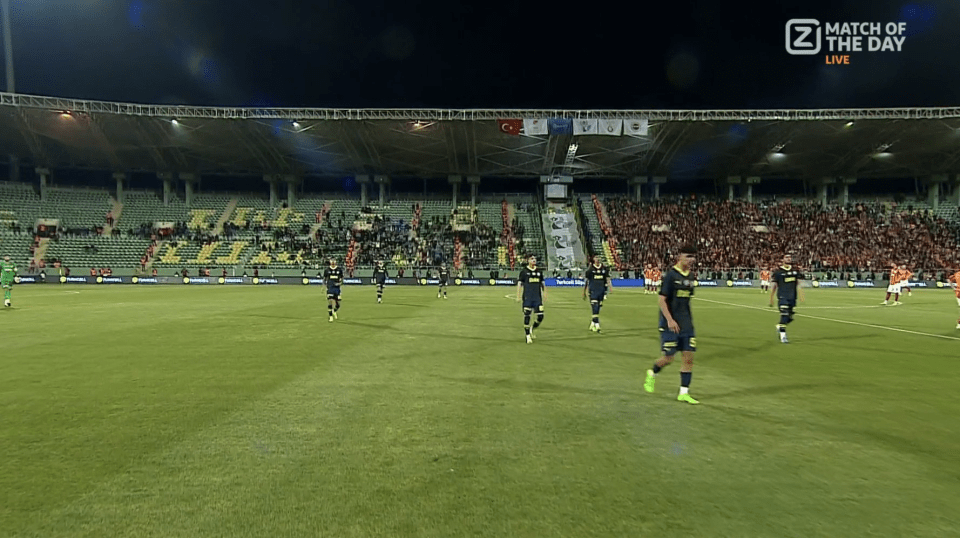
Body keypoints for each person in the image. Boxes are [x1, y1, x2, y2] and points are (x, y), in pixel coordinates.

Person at [644, 245, 699, 404]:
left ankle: (684, 392)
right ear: (680, 256)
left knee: (688, 357)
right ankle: (652, 373)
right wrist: (669, 319)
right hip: (670, 323)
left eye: (693, 257)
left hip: (686, 324)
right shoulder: (671, 276)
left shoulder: (690, 277)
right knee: (668, 358)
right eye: (688, 256)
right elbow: (662, 300)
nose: (691, 259)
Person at [770, 253, 805, 344]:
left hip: (792, 297)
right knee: (784, 315)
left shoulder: (795, 271)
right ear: (783, 259)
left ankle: (780, 326)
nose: (789, 259)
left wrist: (801, 295)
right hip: (782, 297)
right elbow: (774, 286)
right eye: (786, 257)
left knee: (790, 318)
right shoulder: (778, 272)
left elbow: (799, 283)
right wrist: (771, 298)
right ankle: (783, 336)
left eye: (790, 257)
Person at [516, 254, 546, 344]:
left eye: (535, 259)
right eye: (532, 259)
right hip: (527, 298)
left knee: (540, 316)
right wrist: (518, 296)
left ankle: (532, 328)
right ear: (528, 261)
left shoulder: (539, 272)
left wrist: (545, 293)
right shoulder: (524, 272)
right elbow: (519, 284)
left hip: (537, 298)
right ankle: (528, 335)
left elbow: (543, 283)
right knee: (527, 316)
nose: (534, 260)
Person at [583, 254, 611, 333]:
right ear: (594, 259)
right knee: (594, 307)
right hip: (593, 291)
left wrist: (608, 290)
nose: (597, 259)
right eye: (596, 258)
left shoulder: (604, 269)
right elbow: (587, 281)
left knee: (598, 308)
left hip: (601, 291)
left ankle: (593, 323)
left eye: (599, 258)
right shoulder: (590, 270)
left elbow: (606, 280)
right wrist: (584, 292)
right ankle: (597, 325)